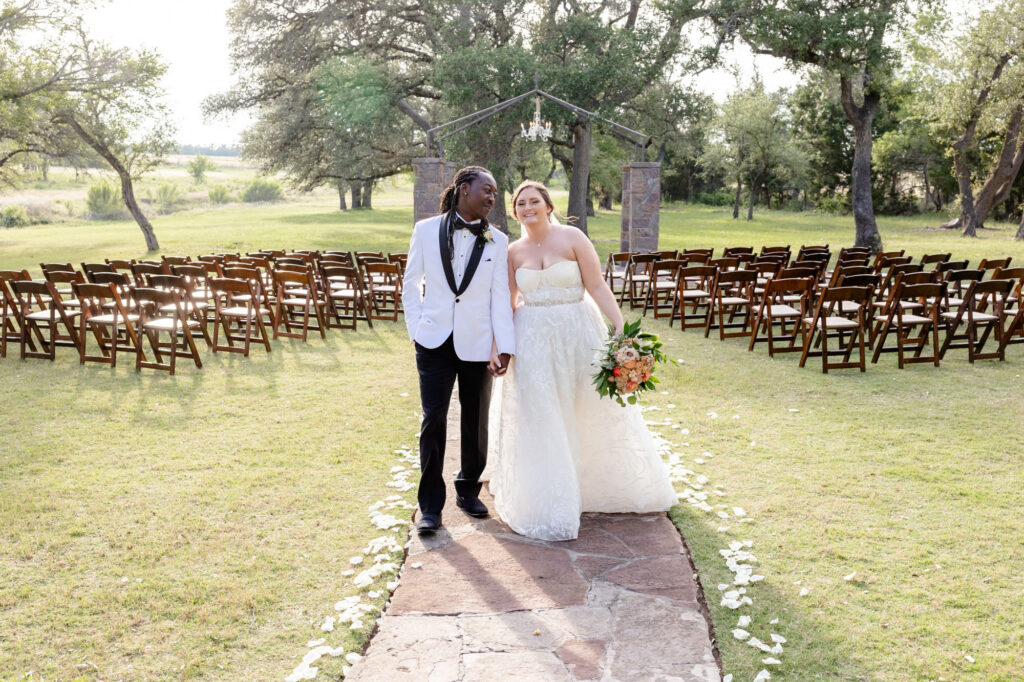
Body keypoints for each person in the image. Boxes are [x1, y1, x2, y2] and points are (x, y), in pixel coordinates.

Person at [486, 180, 677, 541]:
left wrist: (621, 327)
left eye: (534, 201)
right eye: (520, 203)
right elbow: (507, 304)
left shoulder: (572, 237)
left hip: (578, 332)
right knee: (541, 412)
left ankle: (591, 485)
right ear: (514, 212)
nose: (528, 208)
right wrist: (498, 346)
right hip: (533, 339)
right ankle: (549, 496)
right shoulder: (512, 252)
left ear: (548, 206)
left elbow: (598, 286)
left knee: (586, 407)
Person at [402, 166, 515, 535]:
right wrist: (416, 330)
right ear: (464, 189)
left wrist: (505, 346)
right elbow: (410, 283)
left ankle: (468, 489)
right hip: (432, 341)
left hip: (479, 343)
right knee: (433, 419)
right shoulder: (425, 230)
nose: (492, 198)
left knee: (475, 418)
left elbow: (501, 296)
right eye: (487, 190)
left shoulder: (498, 240)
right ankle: (430, 506)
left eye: (495, 194)